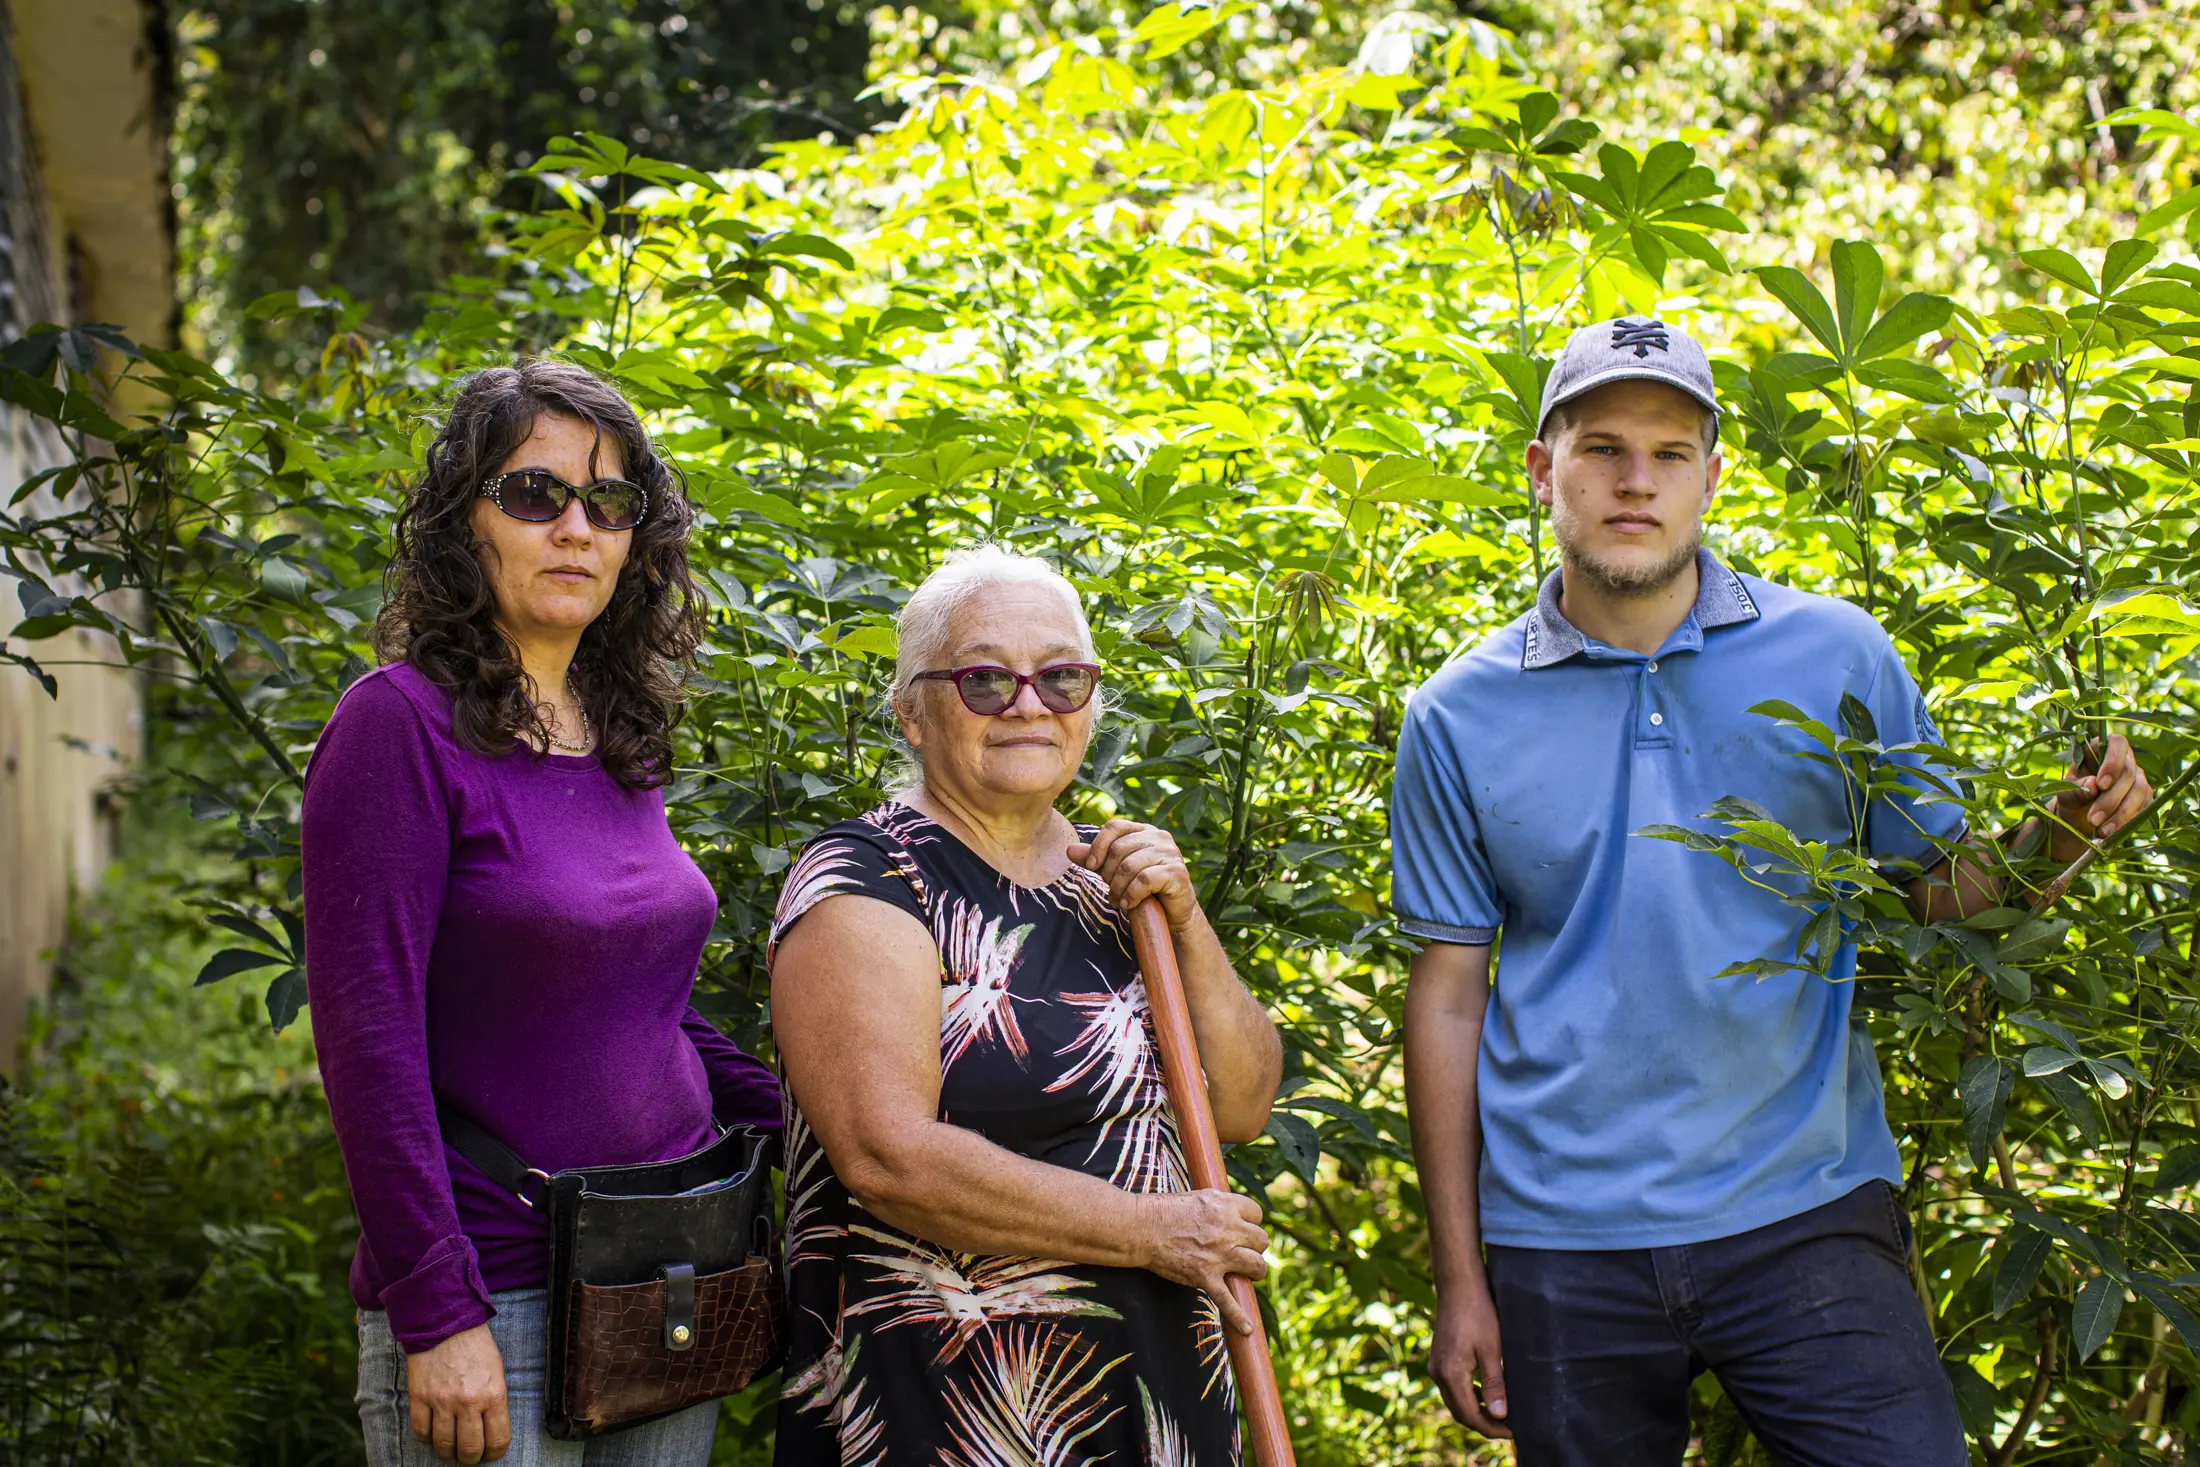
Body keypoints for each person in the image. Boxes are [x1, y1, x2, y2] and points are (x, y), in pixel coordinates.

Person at [1392, 317, 2154, 1466]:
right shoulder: (1455, 712)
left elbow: (1935, 898)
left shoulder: (1836, 655)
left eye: (1669, 450)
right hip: (1561, 1237)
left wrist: (2063, 832)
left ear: (1712, 474)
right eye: (1601, 449)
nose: (1634, 481)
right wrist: (1462, 1277)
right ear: (1544, 471)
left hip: (1802, 1205)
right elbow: (1448, 999)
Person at [302, 361, 781, 1467]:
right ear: (463, 522)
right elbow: (365, 1046)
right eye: (535, 495)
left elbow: (646, 1010)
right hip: (497, 1296)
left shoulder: (614, 735)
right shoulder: (398, 729)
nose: (577, 527)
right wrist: (435, 1310)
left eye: (609, 503)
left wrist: (827, 1126)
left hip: (670, 1270)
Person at [766, 544, 1283, 1466]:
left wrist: (1189, 920)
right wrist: (1160, 1232)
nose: (1030, 704)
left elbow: (1239, 1107)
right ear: (912, 712)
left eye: (1062, 677)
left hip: (1160, 1392)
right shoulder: (865, 880)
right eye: (985, 679)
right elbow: (889, 1157)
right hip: (951, 1408)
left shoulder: (1115, 880)